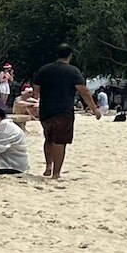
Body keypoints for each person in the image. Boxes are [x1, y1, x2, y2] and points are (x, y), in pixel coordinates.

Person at [32, 45, 99, 180]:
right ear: (70, 56)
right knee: (60, 142)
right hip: (63, 111)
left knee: (48, 139)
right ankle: (56, 173)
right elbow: (83, 91)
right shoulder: (73, 71)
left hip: (46, 110)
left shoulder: (44, 70)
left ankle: (48, 166)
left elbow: (36, 91)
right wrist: (94, 109)